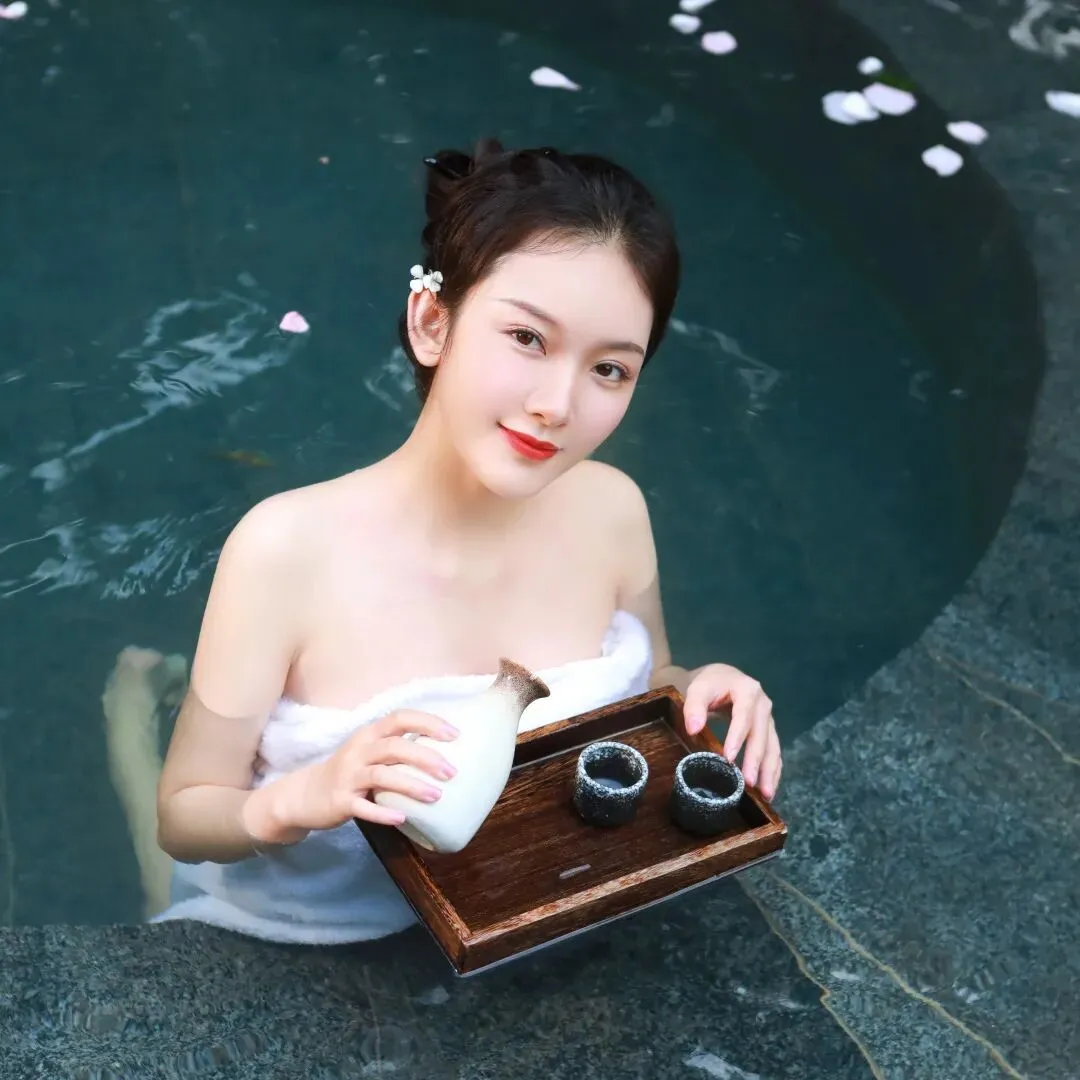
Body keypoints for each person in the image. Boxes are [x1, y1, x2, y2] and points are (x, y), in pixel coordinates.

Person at [102, 137, 783, 941]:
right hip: (318, 931)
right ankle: (127, 708)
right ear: (433, 323)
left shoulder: (612, 510)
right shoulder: (286, 551)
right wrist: (304, 796)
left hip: (529, 903)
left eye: (610, 369)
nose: (557, 405)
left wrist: (702, 691)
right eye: (527, 337)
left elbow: (649, 689)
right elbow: (185, 817)